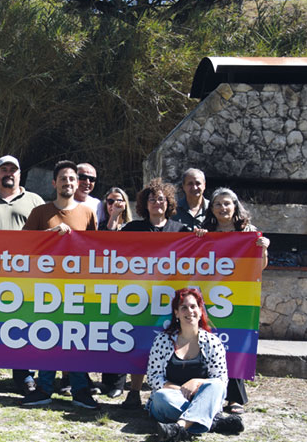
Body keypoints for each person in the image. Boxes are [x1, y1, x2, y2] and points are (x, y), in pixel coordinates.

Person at [22, 160, 98, 408]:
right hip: (45, 288)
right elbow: (22, 246)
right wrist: (49, 236)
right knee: (46, 337)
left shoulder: (87, 213)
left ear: (77, 184)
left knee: (75, 339)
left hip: (77, 289)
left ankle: (80, 389)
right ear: (54, 183)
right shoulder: (41, 213)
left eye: (72, 179)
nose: (68, 182)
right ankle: (44, 387)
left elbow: (96, 250)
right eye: (63, 178)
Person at [120, 178, 195, 407]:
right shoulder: (133, 229)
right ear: (145, 203)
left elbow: (199, 252)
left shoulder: (181, 230)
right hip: (140, 296)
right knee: (140, 343)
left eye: (161, 199)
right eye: (152, 199)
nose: (157, 203)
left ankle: (161, 391)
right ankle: (133, 392)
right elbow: (109, 245)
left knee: (167, 345)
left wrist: (201, 235)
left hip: (171, 297)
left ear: (168, 202)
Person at [0, 155, 45, 395]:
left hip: (25, 276)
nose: (8, 173)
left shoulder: (35, 200)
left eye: (13, 170)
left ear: (20, 174)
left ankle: (24, 375)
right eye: (3, 169)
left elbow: (45, 238)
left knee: (22, 325)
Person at [202, 187, 270, 415]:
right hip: (210, 297)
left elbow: (259, 267)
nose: (223, 208)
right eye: (218, 204)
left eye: (227, 203)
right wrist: (197, 238)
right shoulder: (206, 231)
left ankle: (235, 398)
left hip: (238, 298)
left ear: (235, 206)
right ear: (211, 209)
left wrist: (263, 249)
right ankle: (208, 395)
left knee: (235, 346)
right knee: (209, 346)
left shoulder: (249, 233)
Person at [146, 288, 244, 442]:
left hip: (202, 396)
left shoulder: (212, 343)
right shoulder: (162, 341)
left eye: (193, 306)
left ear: (200, 311)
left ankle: (179, 428)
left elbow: (221, 381)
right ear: (176, 313)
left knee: (217, 385)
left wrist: (196, 383)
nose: (189, 311)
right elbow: (153, 378)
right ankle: (213, 422)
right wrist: (183, 390)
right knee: (160, 397)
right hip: (173, 399)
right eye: (183, 307)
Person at [95, 187, 132, 398]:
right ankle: (106, 381)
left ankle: (119, 382)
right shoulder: (100, 226)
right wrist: (113, 218)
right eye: (110, 201)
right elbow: (106, 239)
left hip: (127, 288)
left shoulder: (133, 227)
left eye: (119, 201)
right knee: (106, 334)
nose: (114, 204)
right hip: (103, 288)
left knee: (122, 334)